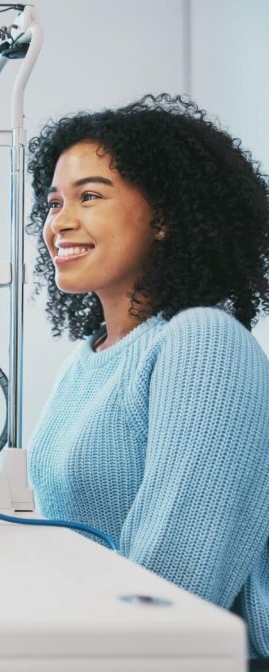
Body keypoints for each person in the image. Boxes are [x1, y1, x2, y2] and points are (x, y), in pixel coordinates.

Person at [27, 94, 269, 663]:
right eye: (54, 201)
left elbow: (175, 586)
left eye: (89, 197)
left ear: (163, 217)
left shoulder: (204, 342)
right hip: (105, 641)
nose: (59, 222)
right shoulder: (88, 360)